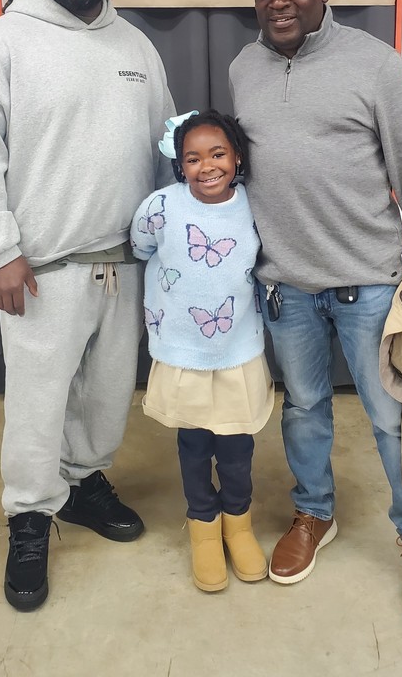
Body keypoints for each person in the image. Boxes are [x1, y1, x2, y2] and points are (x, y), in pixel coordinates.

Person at [0, 0, 175, 611]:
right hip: (39, 270)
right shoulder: (4, 44)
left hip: (124, 264)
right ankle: (31, 515)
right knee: (39, 405)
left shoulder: (136, 49)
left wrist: (170, 244)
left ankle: (84, 482)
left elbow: (166, 148)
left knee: (105, 397)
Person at [228, 0, 402, 627]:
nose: (279, 0)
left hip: (369, 286)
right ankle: (313, 514)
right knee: (303, 411)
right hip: (285, 287)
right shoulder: (243, 67)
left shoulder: (376, 65)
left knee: (393, 421)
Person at [130, 109, 274, 593]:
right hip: (183, 350)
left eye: (217, 154)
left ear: (236, 156)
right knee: (193, 447)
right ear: (178, 162)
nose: (206, 166)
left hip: (237, 350)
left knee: (236, 448)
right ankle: (203, 529)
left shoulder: (255, 205)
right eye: (192, 158)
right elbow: (143, 247)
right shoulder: (161, 207)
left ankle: (239, 524)